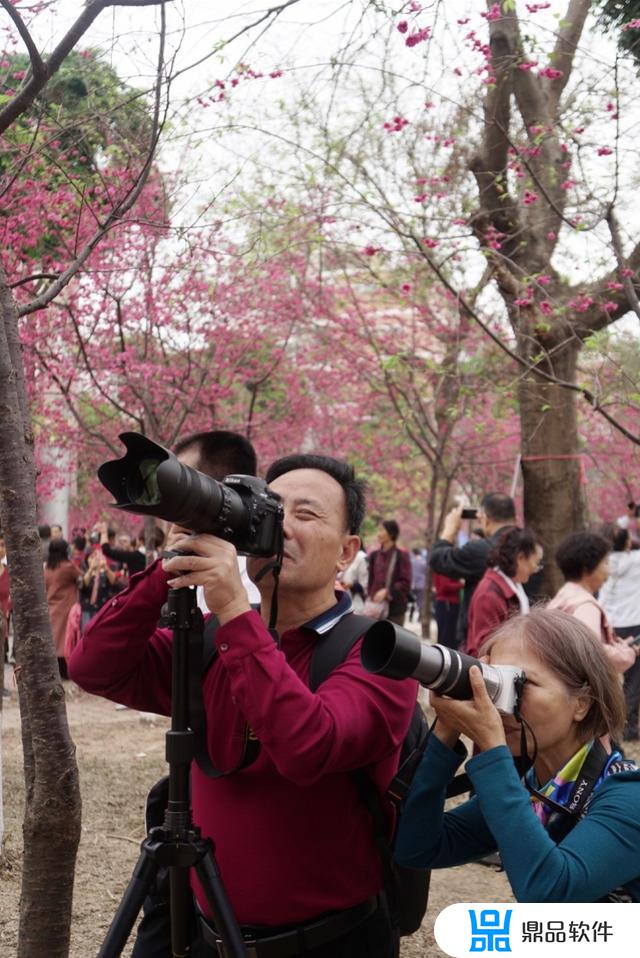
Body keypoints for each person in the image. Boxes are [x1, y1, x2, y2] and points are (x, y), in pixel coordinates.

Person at [69, 453, 418, 958]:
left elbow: (307, 746)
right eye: (272, 510)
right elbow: (93, 667)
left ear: (347, 552)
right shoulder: (215, 640)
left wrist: (234, 608)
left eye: (306, 514)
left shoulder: (380, 654)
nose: (283, 528)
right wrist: (169, 569)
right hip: (205, 934)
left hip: (332, 942)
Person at [394, 609, 640, 902]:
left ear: (581, 704)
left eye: (520, 685)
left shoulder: (628, 796)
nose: (501, 706)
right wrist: (446, 732)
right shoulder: (535, 790)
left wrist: (494, 753)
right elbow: (417, 847)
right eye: (494, 685)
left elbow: (549, 894)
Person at [429, 494, 517, 649]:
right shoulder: (530, 546)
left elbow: (438, 559)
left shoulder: (483, 549)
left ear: (486, 519)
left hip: (484, 639)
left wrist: (449, 530)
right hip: (520, 635)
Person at [547, 531, 637, 674]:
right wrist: (628, 653)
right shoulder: (585, 606)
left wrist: (619, 646)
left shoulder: (564, 595)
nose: (609, 571)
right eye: (606, 563)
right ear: (587, 568)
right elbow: (592, 654)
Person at [465, 526, 542, 657]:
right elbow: (485, 647)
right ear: (521, 558)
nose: (536, 569)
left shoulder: (513, 585)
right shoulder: (489, 595)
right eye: (536, 562)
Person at [598, 525, 640, 740]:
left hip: (609, 622)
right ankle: (629, 725)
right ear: (626, 543)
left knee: (608, 678)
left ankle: (610, 722)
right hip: (634, 622)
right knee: (634, 678)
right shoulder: (635, 560)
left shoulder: (601, 562)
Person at [44, 538, 81, 679]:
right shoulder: (67, 567)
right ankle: (66, 672)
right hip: (66, 608)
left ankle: (54, 672)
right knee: (65, 641)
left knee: (54, 641)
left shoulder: (47, 567)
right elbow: (81, 577)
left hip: (51, 607)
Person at [366, 520, 412, 625]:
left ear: (391, 533)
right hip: (375, 608)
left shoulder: (402, 555)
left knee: (393, 640)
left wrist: (387, 592)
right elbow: (371, 580)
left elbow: (406, 582)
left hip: (395, 609)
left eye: (382, 530)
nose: (378, 534)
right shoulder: (374, 555)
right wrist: (370, 596)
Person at [432, 572, 462, 650]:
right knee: (446, 636)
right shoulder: (444, 568)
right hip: (447, 604)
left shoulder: (442, 566)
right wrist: (461, 584)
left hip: (446, 603)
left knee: (446, 635)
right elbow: (445, 586)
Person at [339, 543, 369, 612]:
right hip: (341, 602)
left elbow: (365, 584)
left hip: (355, 603)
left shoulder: (361, 557)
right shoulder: (341, 555)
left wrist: (351, 585)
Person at [409, 548, 427, 622]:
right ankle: (420, 617)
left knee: (412, 600)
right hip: (421, 584)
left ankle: (411, 615)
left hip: (412, 584)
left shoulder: (411, 561)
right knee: (420, 601)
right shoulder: (424, 562)